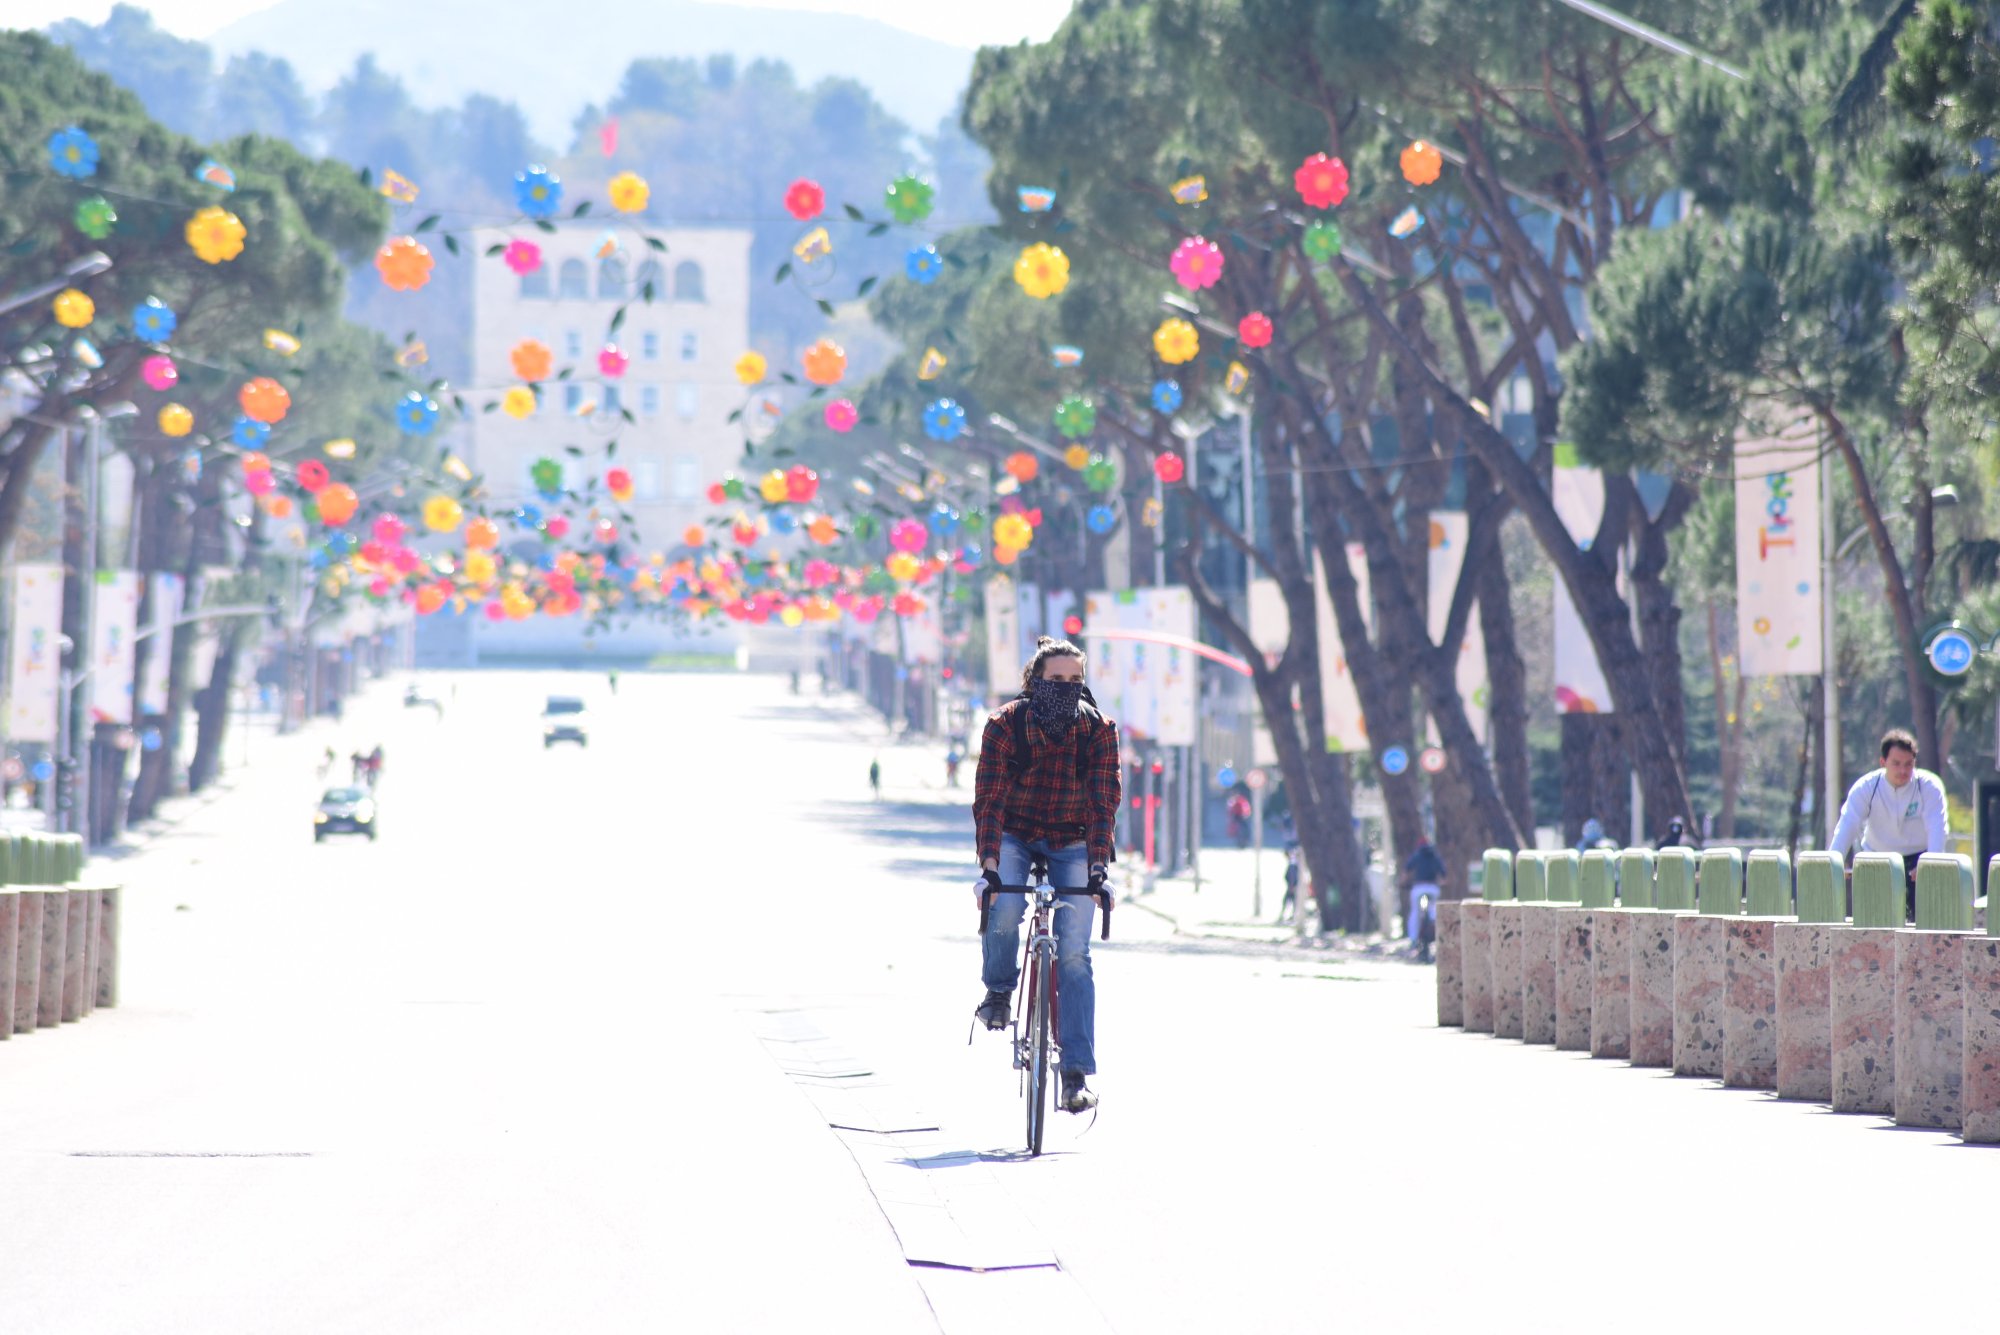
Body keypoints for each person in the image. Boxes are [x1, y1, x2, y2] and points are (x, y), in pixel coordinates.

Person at [971, 637, 1122, 1114]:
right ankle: (998, 991)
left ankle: (1074, 1074)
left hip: (1072, 836)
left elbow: (1103, 803)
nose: (1066, 689)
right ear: (1034, 682)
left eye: (1076, 681)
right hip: (1015, 832)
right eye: (1056, 681)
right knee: (1007, 905)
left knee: (1075, 954)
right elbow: (989, 801)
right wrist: (990, 867)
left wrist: (1098, 868)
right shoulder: (1003, 726)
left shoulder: (1099, 731)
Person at [1829, 727, 1947, 920]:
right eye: (1896, 764)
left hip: (1918, 861)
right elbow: (1848, 823)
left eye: (1909, 764)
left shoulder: (1929, 786)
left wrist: (1931, 862)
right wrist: (1833, 861)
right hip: (1877, 859)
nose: (1903, 770)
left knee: (1926, 922)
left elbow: (1937, 826)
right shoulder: (1866, 787)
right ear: (1883, 762)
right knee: (1874, 922)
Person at [1403, 837, 1447, 951]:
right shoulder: (1435, 856)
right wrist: (1442, 883)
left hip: (1419, 889)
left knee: (1415, 913)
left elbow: (1407, 871)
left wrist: (1403, 882)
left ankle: (1413, 939)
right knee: (1433, 910)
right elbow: (1443, 875)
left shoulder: (1416, 856)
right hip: (1432, 889)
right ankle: (1438, 932)